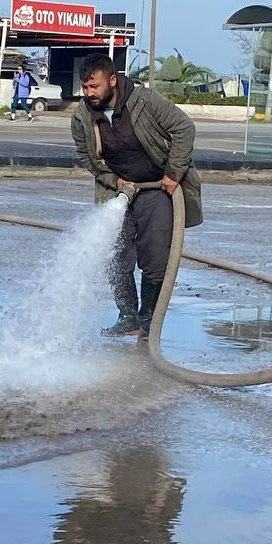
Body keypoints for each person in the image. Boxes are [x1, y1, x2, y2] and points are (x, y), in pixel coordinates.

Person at [70, 53, 202, 338]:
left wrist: (173, 173)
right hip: (117, 191)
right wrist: (114, 180)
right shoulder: (82, 116)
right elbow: (88, 159)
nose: (90, 93)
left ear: (113, 81)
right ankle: (127, 315)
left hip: (157, 187)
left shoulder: (144, 101)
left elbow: (184, 128)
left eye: (95, 86)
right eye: (85, 87)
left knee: (155, 255)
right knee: (115, 255)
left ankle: (148, 320)